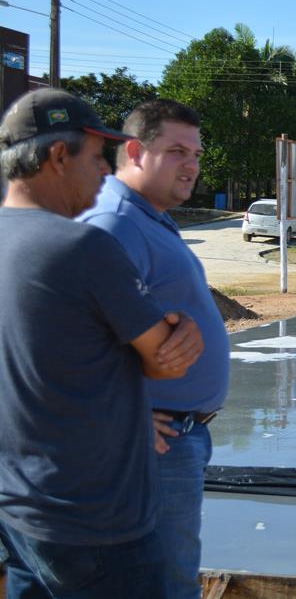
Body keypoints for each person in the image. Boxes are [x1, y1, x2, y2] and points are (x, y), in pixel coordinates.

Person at [0, 88, 204, 598]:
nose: (104, 173)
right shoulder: (84, 245)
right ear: (58, 155)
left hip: (20, 504)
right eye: (95, 159)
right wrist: (182, 341)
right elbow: (166, 358)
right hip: (92, 515)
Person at [79, 99, 229, 599]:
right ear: (136, 151)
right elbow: (67, 335)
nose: (192, 164)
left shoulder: (150, 216)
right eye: (177, 151)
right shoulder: (115, 224)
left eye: (197, 153)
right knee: (162, 586)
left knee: (169, 579)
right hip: (153, 446)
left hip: (173, 438)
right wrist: (125, 415)